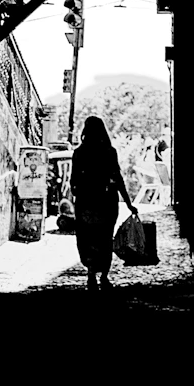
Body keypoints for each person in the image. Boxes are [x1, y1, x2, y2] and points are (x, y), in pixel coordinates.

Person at [69, 115, 136, 290]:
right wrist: (128, 203)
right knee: (105, 238)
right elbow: (118, 178)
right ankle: (104, 276)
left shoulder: (79, 153)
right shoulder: (109, 152)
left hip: (85, 202)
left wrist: (81, 191)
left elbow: (73, 183)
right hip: (107, 203)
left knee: (87, 237)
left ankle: (91, 272)